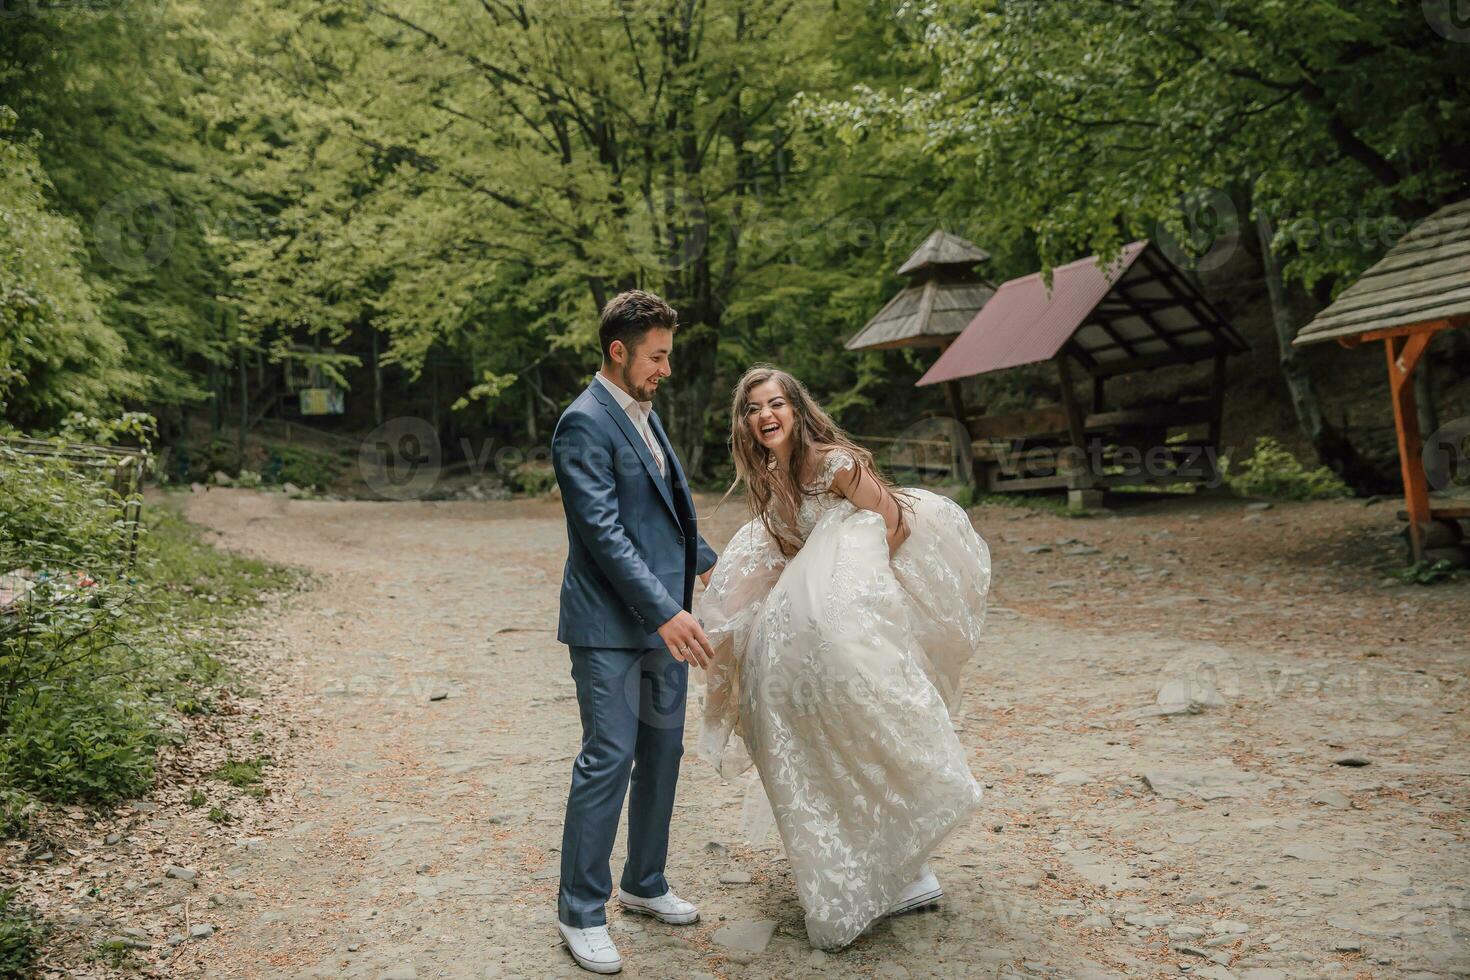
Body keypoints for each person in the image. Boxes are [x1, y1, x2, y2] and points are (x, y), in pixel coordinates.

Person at [697, 363, 992, 952]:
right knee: (799, 718)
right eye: (754, 409)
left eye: (775, 403)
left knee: (870, 720)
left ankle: (906, 858)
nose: (765, 416)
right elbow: (787, 556)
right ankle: (866, 854)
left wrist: (851, 598)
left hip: (854, 617)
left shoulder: (832, 463)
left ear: (797, 409)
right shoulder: (772, 480)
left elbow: (894, 521)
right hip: (813, 633)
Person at [550, 290, 720, 974]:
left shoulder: (643, 413)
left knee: (663, 753)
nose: (666, 370)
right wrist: (665, 611)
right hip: (609, 627)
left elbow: (667, 515)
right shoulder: (582, 423)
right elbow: (605, 536)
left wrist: (714, 568)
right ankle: (580, 910)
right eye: (657, 357)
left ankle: (646, 883)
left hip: (661, 624)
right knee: (610, 757)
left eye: (668, 356)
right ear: (617, 352)